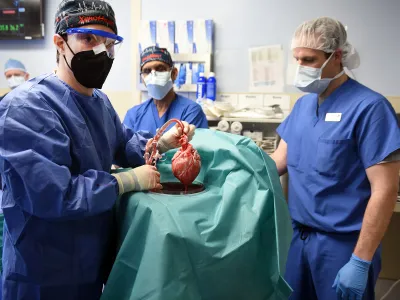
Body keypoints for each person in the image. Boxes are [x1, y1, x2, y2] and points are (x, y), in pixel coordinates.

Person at [0, 1, 195, 299]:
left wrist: (160, 143)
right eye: (89, 38)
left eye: (109, 42)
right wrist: (126, 180)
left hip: (89, 268)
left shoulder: (99, 103)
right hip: (42, 273)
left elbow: (123, 144)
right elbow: (53, 194)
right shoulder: (26, 107)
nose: (102, 51)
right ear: (60, 43)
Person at [271, 17, 400, 300]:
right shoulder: (303, 106)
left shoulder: (370, 108)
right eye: (297, 60)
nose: (301, 68)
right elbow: (275, 163)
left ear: (337, 56)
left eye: (310, 59)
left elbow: (386, 189)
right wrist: (224, 157)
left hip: (343, 246)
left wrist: (360, 260)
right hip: (298, 240)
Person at [123, 46, 208, 135]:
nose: (153, 75)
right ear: (142, 78)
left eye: (160, 69)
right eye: (147, 71)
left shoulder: (191, 111)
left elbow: (193, 146)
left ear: (174, 73)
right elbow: (125, 147)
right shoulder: (134, 115)